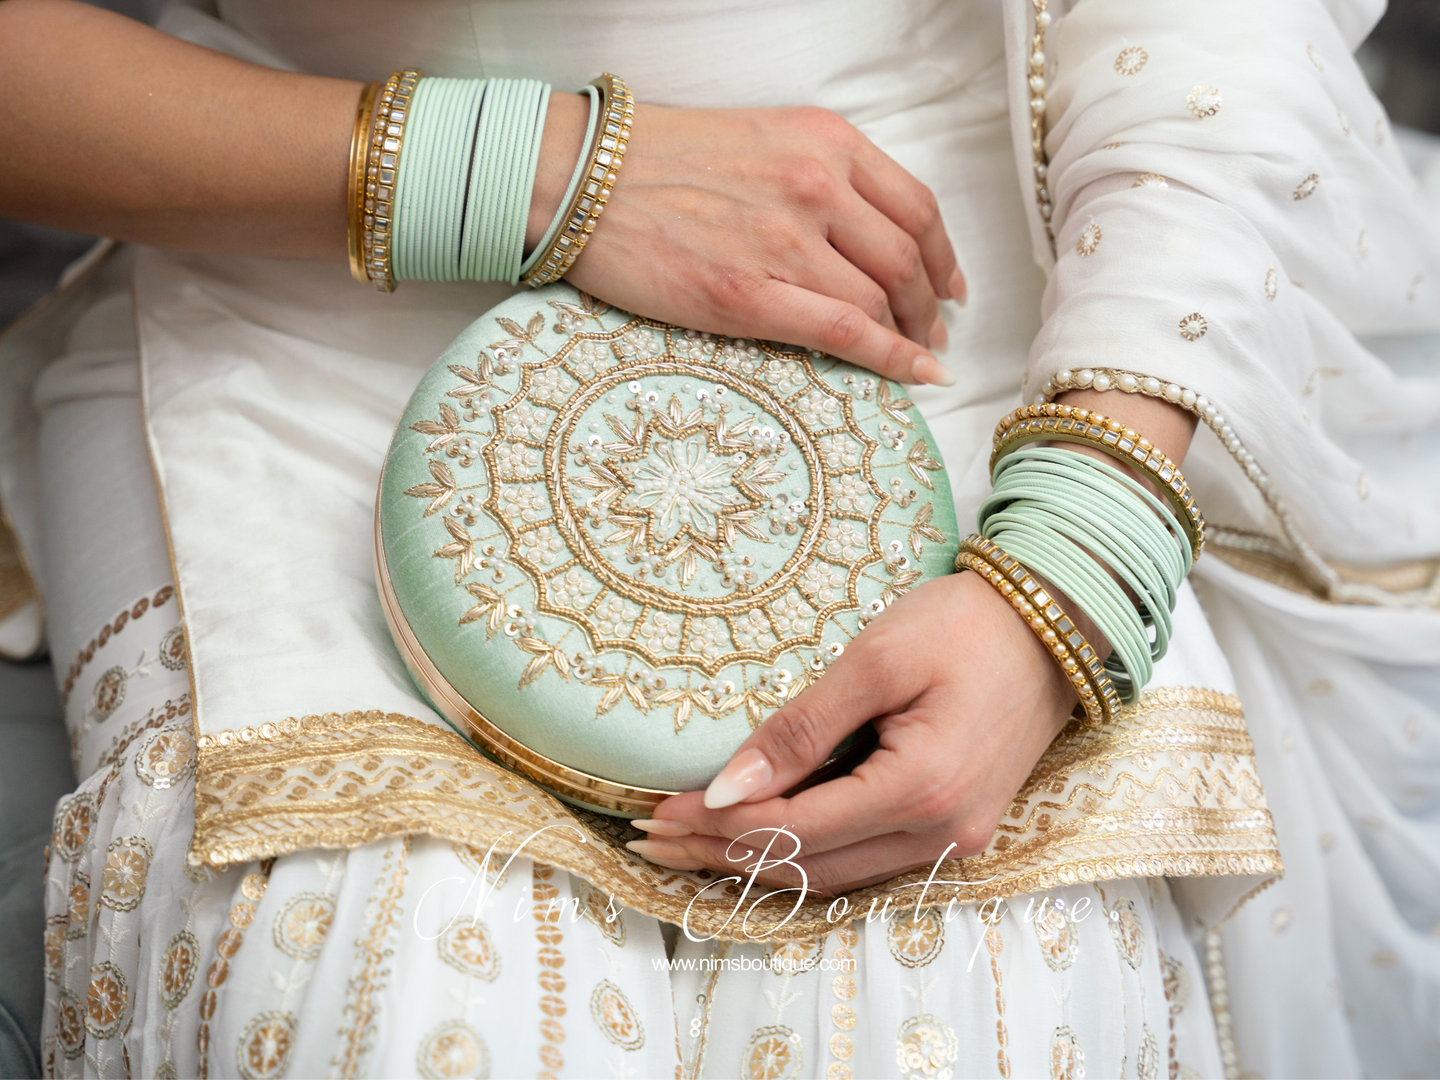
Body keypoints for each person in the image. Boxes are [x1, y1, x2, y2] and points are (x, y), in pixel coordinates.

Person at [0, 0, 1434, 1076]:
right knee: (366, 1010)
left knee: (985, 1023)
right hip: (297, 254)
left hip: (944, 300)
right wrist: (541, 174)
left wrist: (1065, 559)